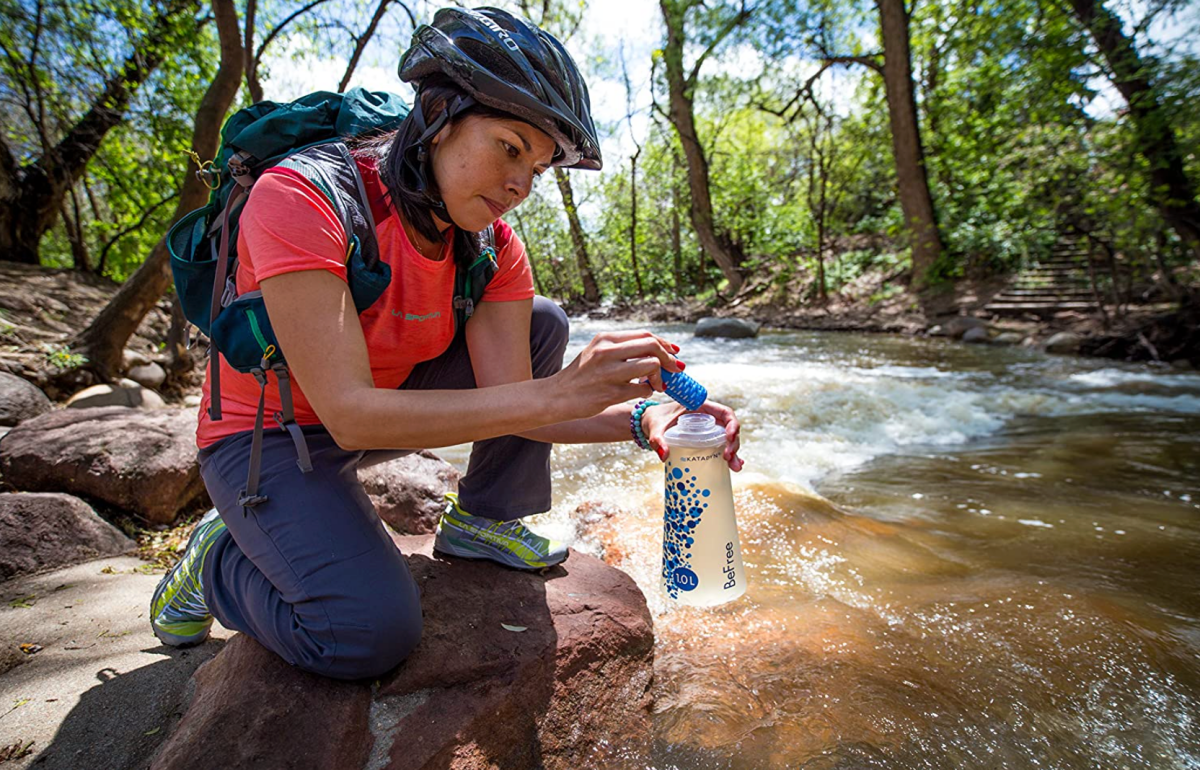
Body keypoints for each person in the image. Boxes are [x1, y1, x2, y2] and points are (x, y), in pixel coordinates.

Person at [150, 6, 743, 681]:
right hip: (272, 436)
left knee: (540, 321)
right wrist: (560, 388)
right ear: (436, 115)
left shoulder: (492, 245)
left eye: (539, 168)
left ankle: (485, 520)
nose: (521, 185)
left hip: (387, 407)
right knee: (363, 635)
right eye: (510, 147)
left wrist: (645, 419)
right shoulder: (303, 197)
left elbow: (523, 405)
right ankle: (217, 560)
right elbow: (347, 413)